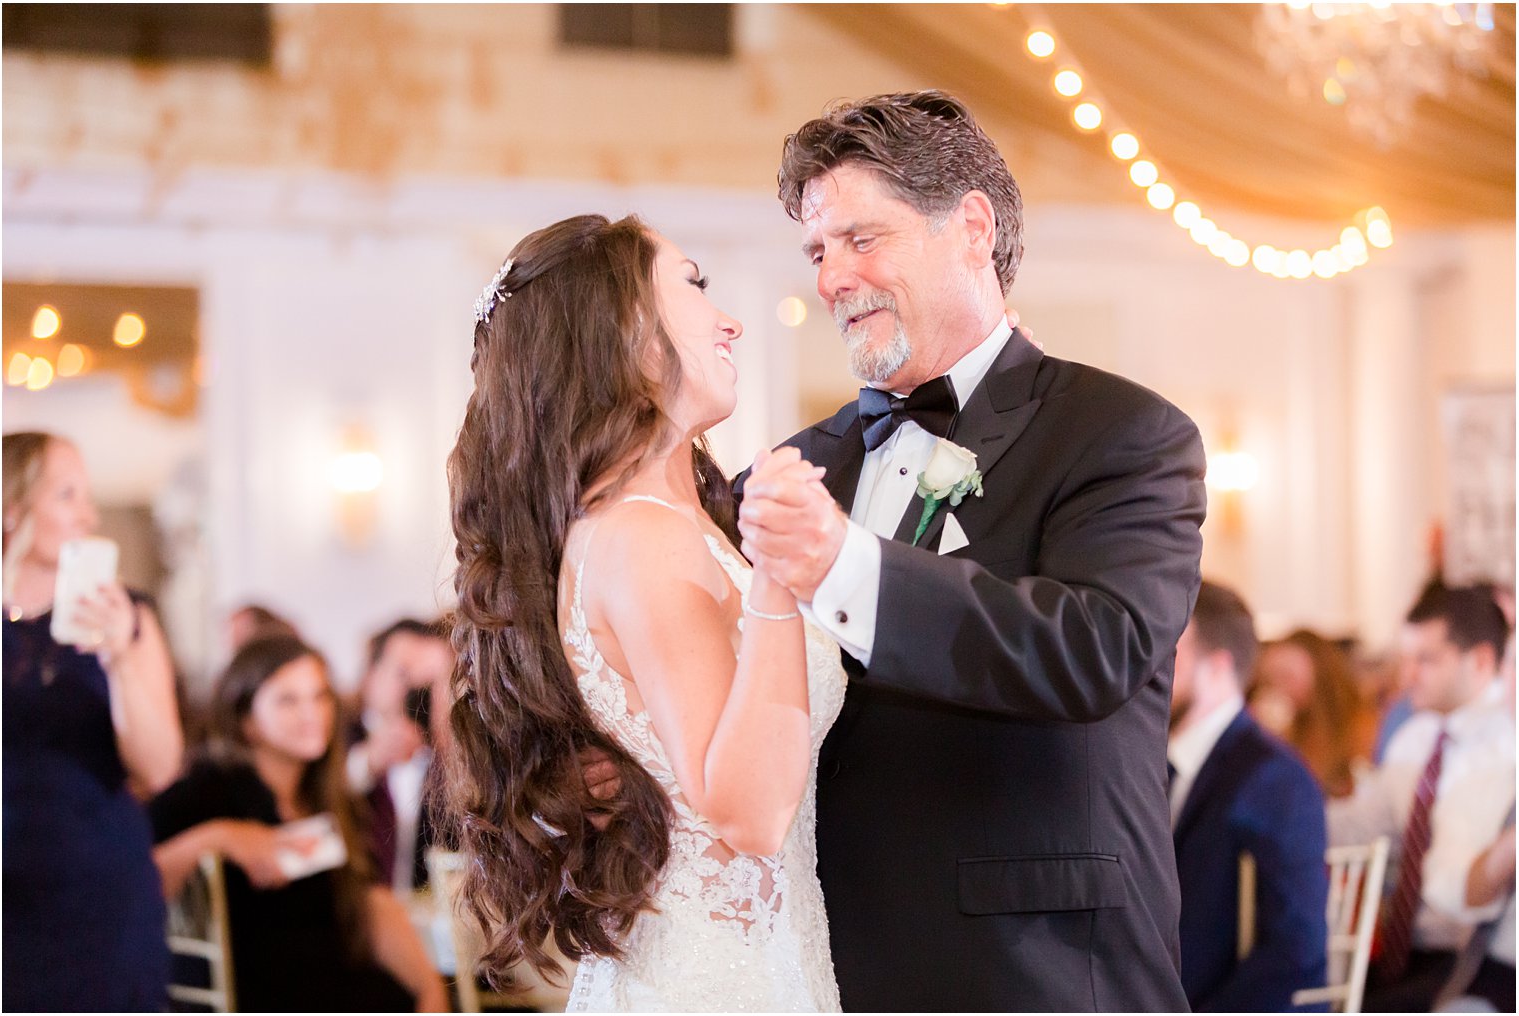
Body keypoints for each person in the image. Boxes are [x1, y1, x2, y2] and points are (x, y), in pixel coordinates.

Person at [735, 90, 1206, 1009]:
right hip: (832, 967)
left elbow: (1093, 649)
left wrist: (847, 568)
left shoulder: (1123, 433)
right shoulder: (800, 467)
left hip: (1041, 970)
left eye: (863, 240)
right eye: (819, 252)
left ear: (972, 228)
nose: (832, 279)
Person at [443, 214, 846, 1010]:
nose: (728, 319)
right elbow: (751, 815)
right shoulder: (641, 538)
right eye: (694, 285)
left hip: (762, 960)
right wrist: (776, 573)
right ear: (622, 328)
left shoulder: (681, 522)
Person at [149, 634, 447, 1013]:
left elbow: (370, 902)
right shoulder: (207, 790)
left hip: (339, 984)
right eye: (288, 700)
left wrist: (428, 986)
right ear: (246, 720)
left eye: (320, 696)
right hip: (255, 994)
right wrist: (219, 837)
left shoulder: (328, 796)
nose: (312, 714)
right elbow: (131, 885)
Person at [2, 430, 182, 1011]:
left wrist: (120, 656)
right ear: (11, 506)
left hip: (96, 886)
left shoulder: (128, 617)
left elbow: (158, 769)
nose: (89, 514)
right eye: (66, 495)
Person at [1329, 583, 1514, 1012]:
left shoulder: (1508, 749)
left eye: (1426, 660)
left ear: (1482, 660)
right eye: (1405, 659)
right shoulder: (1414, 737)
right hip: (1395, 948)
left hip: (1469, 957)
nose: (1407, 675)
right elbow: (1362, 826)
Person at [1169, 581, 1328, 1011]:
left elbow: (1298, 948)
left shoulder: (1274, 777)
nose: (1149, 666)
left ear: (1218, 667)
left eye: (1170, 651)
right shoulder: (1151, 766)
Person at [346, 617, 452, 892]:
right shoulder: (338, 734)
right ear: (371, 675)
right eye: (403, 673)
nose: (417, 689)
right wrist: (368, 763)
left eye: (432, 680)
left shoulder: (448, 757)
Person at [1249, 629, 1378, 798]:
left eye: (1286, 677)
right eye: (1267, 680)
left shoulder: (1357, 727)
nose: (1275, 689)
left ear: (1319, 680)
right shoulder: (1255, 724)